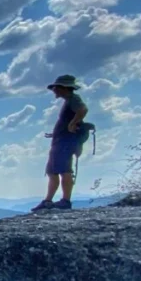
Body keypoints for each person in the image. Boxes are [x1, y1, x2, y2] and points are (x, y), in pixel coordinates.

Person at [32, 74, 88, 211]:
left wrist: (73, 124)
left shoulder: (73, 99)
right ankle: (48, 200)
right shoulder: (69, 100)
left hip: (65, 142)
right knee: (52, 171)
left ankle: (64, 201)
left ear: (64, 88)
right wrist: (58, 132)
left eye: (56, 87)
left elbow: (83, 110)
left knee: (64, 170)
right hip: (61, 140)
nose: (54, 90)